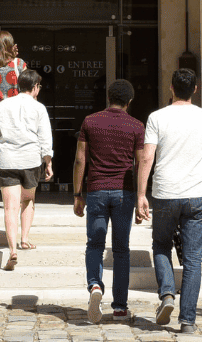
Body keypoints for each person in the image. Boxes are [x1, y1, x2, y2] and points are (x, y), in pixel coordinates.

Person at [137, 69, 202, 334]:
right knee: (192, 259)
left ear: (171, 88)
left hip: (165, 193)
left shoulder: (157, 117)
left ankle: (167, 293)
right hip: (197, 194)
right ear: (195, 89)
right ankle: (187, 320)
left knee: (161, 245)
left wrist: (141, 194)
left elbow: (147, 157)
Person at [72, 79, 145, 324]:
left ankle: (95, 285)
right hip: (124, 192)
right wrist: (141, 196)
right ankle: (120, 307)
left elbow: (80, 159)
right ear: (129, 101)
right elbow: (140, 163)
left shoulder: (90, 121)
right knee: (121, 249)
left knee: (95, 244)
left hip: (96, 190)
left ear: (108, 97)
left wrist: (77, 194)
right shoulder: (136, 126)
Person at [0, 68, 53, 269]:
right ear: (35, 87)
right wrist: (48, 161)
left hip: (7, 160)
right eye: (39, 86)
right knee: (28, 200)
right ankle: (24, 240)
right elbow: (45, 137)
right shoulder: (39, 108)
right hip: (30, 160)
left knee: (10, 207)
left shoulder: (4, 105)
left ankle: (12, 250)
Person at [0, 30, 27, 210]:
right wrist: (14, 57)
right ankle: (18, 191)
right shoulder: (19, 63)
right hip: (15, 114)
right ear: (11, 45)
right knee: (17, 150)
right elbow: (28, 82)